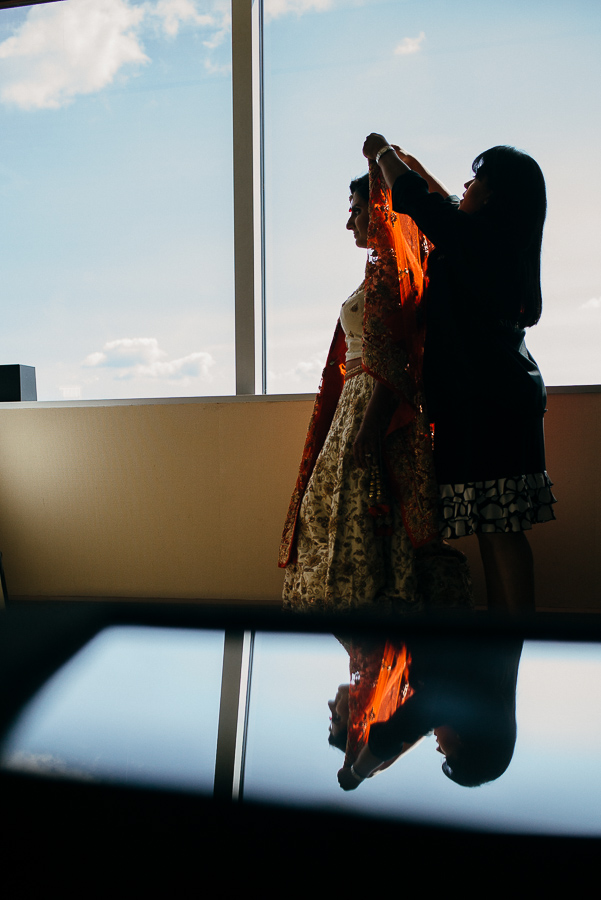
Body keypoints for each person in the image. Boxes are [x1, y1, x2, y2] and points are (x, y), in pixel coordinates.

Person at [362, 136, 557, 613]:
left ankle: (513, 636)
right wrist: (411, 164)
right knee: (496, 526)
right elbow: (441, 200)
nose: (463, 187)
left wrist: (383, 154)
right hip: (496, 395)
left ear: (491, 194)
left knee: (502, 530)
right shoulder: (495, 241)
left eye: (475, 180)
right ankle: (504, 636)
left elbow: (417, 201)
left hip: (489, 400)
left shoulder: (475, 240)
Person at [279, 167, 473, 612]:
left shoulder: (394, 272)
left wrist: (371, 424)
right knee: (335, 510)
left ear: (380, 210)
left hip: (374, 404)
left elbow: (398, 350)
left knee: (361, 508)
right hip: (358, 400)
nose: (351, 222)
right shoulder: (381, 270)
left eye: (357, 210)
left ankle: (376, 623)